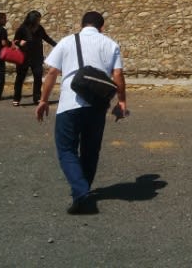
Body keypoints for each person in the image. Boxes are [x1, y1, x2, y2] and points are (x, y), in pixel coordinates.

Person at [36, 11, 127, 215]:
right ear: (101, 27)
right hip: (97, 104)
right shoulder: (110, 44)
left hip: (70, 102)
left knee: (66, 149)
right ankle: (83, 189)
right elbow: (118, 75)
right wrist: (121, 101)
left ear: (81, 24)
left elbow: (52, 72)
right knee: (91, 150)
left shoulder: (67, 41)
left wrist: (43, 100)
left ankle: (81, 192)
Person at [12, 10, 57, 106]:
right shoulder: (22, 28)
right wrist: (19, 43)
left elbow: (47, 38)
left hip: (37, 57)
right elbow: (15, 41)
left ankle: (37, 98)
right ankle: (16, 98)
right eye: (38, 19)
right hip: (23, 57)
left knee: (38, 78)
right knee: (20, 78)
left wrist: (58, 45)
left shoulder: (40, 28)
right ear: (33, 19)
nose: (39, 21)